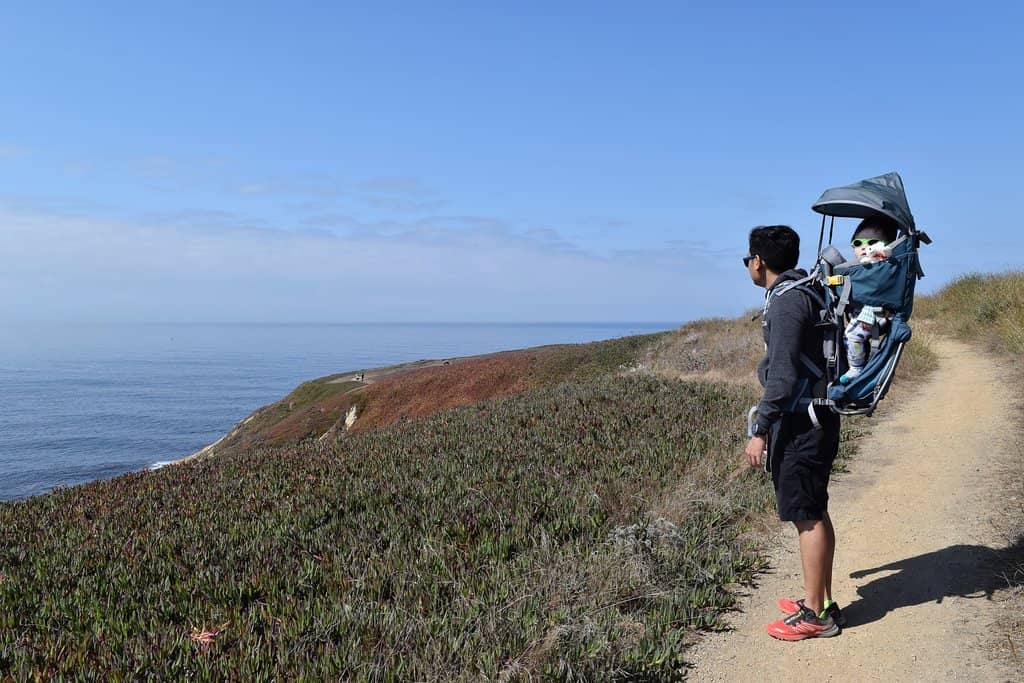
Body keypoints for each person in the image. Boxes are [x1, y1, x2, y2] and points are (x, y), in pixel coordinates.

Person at [743, 225, 844, 640]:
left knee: (806, 516)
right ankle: (820, 598)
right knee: (814, 509)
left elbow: (781, 379)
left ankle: (817, 616)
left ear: (757, 262)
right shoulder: (805, 291)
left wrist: (760, 428)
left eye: (747, 259)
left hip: (803, 422)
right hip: (818, 415)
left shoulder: (786, 303)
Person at [839, 216, 900, 384]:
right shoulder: (865, 267)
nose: (864, 248)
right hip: (868, 313)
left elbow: (878, 292)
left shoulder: (881, 266)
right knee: (850, 336)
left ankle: (856, 369)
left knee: (852, 336)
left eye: (871, 242)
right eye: (858, 244)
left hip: (877, 313)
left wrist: (867, 313)